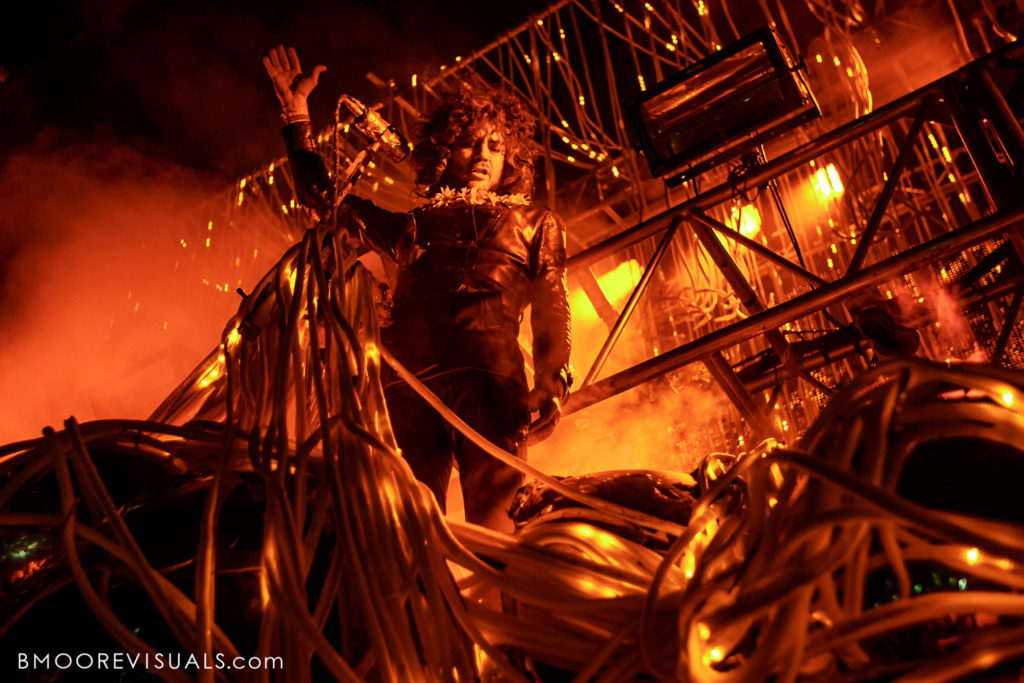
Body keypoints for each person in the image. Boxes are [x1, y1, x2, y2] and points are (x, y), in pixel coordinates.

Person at [264, 46, 572, 530]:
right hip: (409, 385)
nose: (482, 157)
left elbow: (552, 305)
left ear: (512, 155)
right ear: (444, 150)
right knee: (408, 531)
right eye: (469, 143)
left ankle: (508, 602)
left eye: (495, 146)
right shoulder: (410, 226)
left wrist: (553, 381)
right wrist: (295, 115)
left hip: (490, 383)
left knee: (498, 531)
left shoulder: (535, 222)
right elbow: (324, 198)